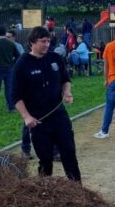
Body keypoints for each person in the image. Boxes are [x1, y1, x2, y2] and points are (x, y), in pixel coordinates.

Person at [11, 26, 81, 181]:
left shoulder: (55, 59)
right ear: (32, 43)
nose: (47, 44)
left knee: (69, 155)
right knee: (45, 160)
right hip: (39, 121)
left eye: (48, 41)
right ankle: (44, 193)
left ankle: (77, 188)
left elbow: (65, 80)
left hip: (60, 116)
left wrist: (67, 92)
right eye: (43, 41)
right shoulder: (22, 64)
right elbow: (16, 96)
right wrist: (26, 117)